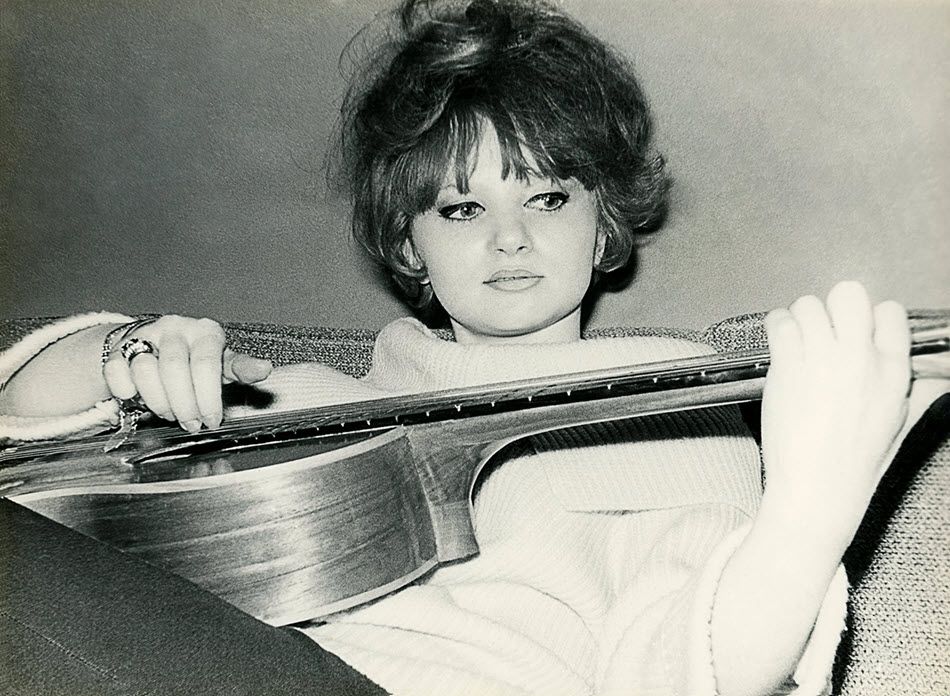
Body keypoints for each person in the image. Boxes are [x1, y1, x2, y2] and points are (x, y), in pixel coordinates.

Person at [0, 0, 945, 694]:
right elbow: (26, 449)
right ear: (410, 242)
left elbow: (691, 670)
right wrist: (123, 352)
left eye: (545, 197)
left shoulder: (668, 414)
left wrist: (811, 511)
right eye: (462, 207)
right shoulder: (303, 399)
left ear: (603, 220)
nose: (510, 240)